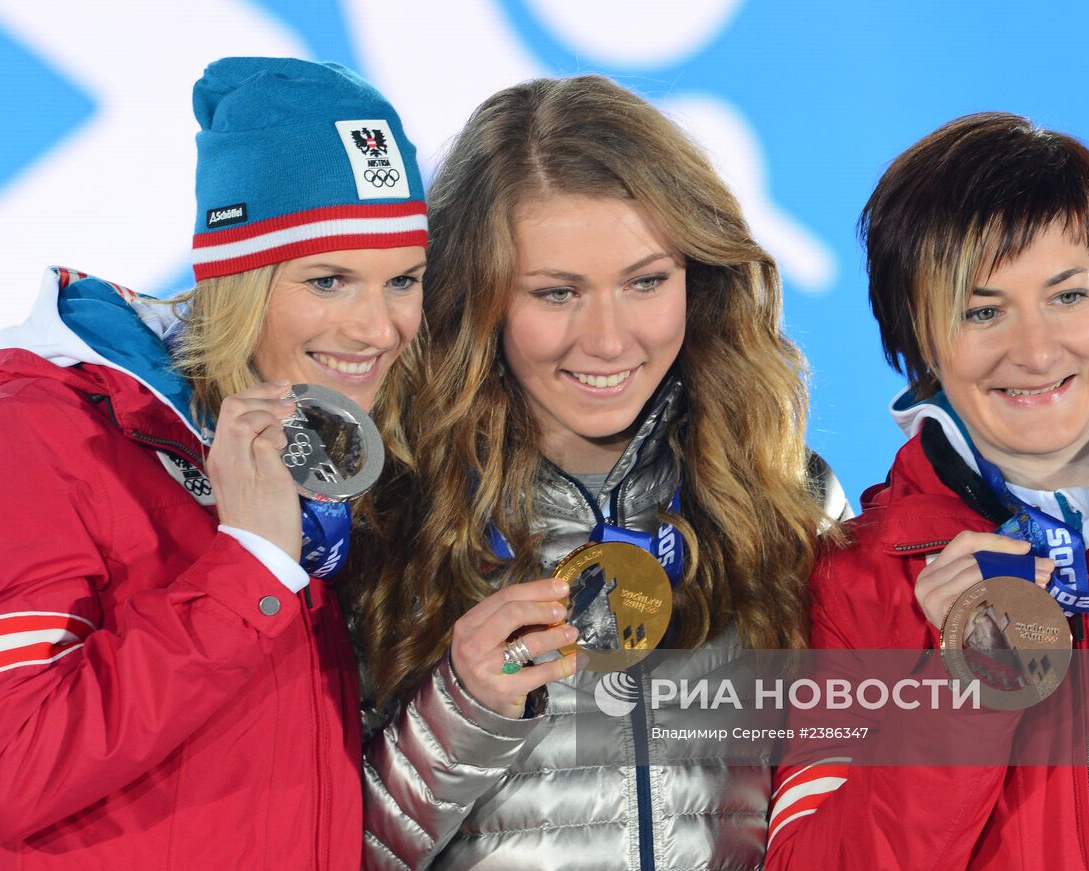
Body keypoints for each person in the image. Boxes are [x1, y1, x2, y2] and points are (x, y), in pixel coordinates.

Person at [0, 57, 427, 869]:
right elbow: (9, 770)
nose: (378, 327)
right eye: (329, 279)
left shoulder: (296, 455)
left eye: (404, 280)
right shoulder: (25, 439)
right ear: (237, 275)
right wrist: (247, 567)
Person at [348, 75, 850, 870]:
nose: (610, 341)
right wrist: (463, 707)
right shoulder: (380, 517)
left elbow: (846, 823)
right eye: (557, 293)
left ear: (701, 274)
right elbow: (312, 847)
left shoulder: (785, 497)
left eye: (646, 282)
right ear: (474, 297)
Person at [765, 112, 1089, 869]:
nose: (1036, 351)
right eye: (983, 310)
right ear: (919, 333)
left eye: (1067, 296)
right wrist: (959, 691)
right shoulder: (852, 585)